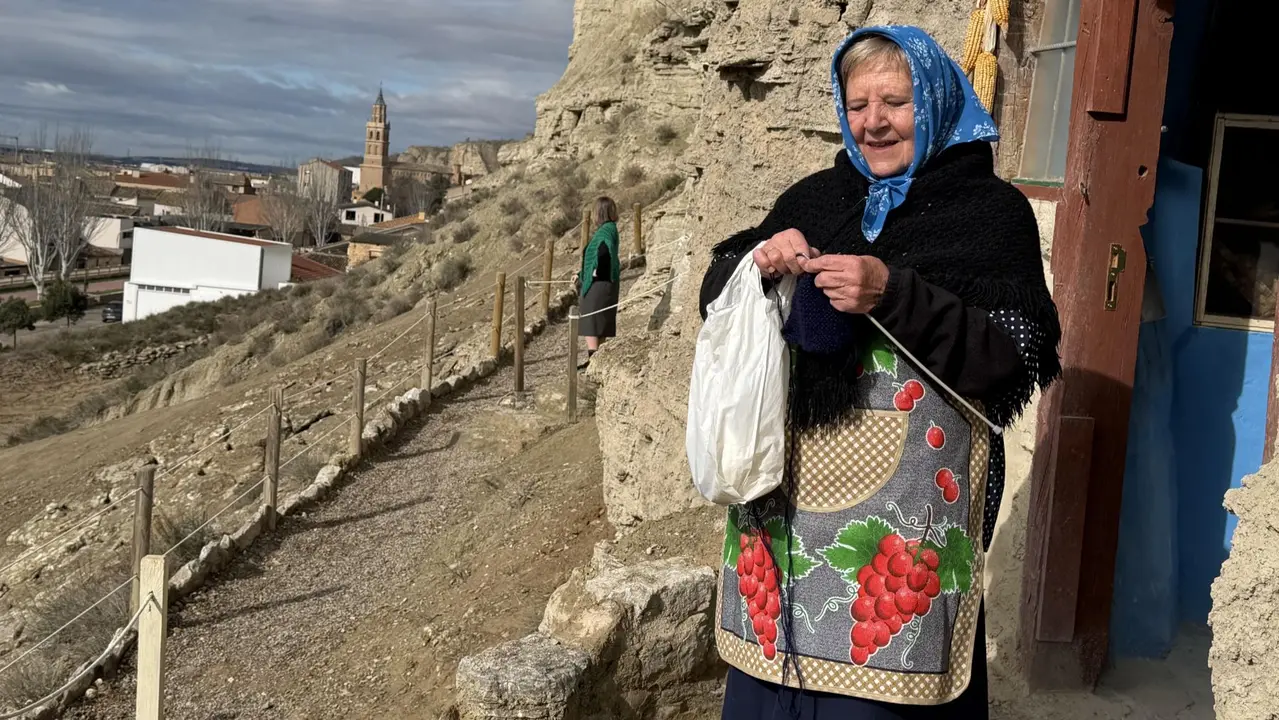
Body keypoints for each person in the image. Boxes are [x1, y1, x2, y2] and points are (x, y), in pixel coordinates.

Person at [697, 26, 1061, 720]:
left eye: (894, 101)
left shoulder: (991, 215)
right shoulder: (812, 199)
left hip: (903, 524)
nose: (872, 122)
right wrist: (757, 264)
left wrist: (893, 294)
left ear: (935, 104)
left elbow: (1007, 360)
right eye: (857, 103)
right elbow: (716, 298)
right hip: (782, 511)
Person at [577, 196, 621, 370]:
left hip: (599, 285)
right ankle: (598, 362)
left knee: (591, 324)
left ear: (598, 213)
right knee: (599, 325)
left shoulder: (605, 232)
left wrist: (593, 275)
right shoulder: (610, 229)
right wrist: (582, 273)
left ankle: (593, 363)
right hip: (607, 283)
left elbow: (603, 255)